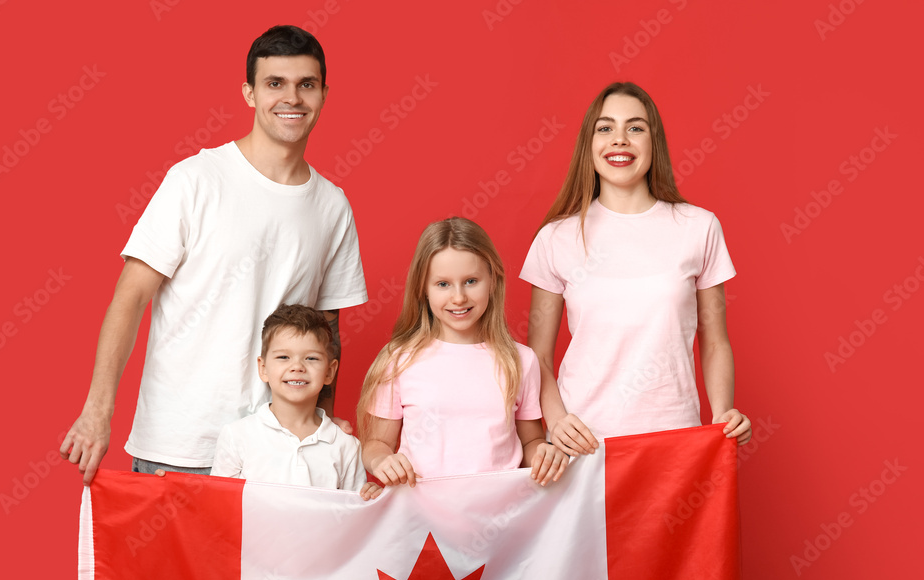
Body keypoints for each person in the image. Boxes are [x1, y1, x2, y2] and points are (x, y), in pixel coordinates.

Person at [61, 25, 367, 484]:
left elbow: (326, 327)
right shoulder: (196, 180)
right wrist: (96, 411)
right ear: (249, 93)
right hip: (180, 443)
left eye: (306, 84)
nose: (292, 98)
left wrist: (321, 419)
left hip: (275, 449)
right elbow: (130, 298)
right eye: (274, 84)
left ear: (324, 93)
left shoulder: (332, 205)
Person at [521, 82, 752, 456]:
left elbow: (715, 341)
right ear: (589, 143)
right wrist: (557, 420)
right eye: (605, 127)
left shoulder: (699, 227)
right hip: (583, 444)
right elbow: (538, 357)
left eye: (635, 128)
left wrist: (722, 410)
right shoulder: (555, 238)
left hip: (674, 437)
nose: (620, 139)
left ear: (653, 141)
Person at [358, 217, 568, 500]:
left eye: (471, 281)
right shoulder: (399, 360)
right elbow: (377, 443)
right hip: (423, 517)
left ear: (492, 280)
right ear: (423, 288)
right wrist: (381, 461)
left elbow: (530, 440)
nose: (458, 297)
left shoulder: (521, 361)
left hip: (498, 516)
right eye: (443, 284)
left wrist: (542, 451)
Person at [210, 305, 366, 491]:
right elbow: (220, 505)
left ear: (329, 372)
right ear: (263, 368)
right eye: (284, 357)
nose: (297, 367)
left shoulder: (346, 446)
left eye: (311, 358)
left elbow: (352, 512)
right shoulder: (236, 436)